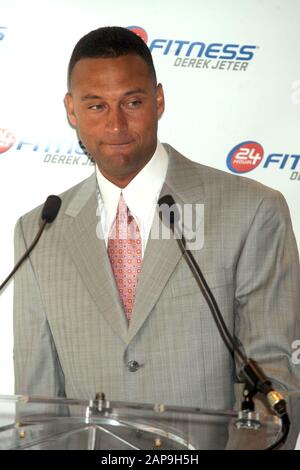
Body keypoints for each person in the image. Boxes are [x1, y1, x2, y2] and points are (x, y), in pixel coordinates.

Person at [14, 27, 300, 417]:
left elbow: (273, 380)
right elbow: (38, 402)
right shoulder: (39, 231)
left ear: (159, 100)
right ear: (71, 110)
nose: (116, 125)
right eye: (96, 106)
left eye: (132, 102)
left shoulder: (251, 210)